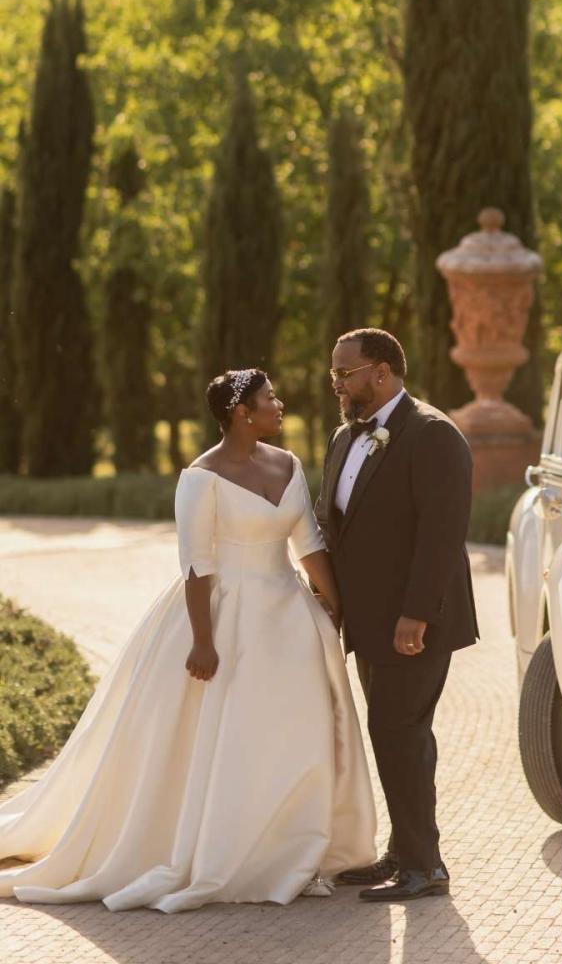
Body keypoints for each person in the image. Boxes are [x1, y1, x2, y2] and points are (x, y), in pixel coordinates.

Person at [0, 368, 377, 911]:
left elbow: (308, 543)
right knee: (227, 736)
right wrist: (203, 640)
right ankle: (223, 848)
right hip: (222, 615)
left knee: (299, 727)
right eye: (269, 398)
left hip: (289, 617)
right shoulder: (200, 478)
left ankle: (296, 843)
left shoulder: (289, 463)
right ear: (242, 412)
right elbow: (197, 566)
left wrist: (334, 602)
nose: (279, 403)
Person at [316, 328, 478, 903]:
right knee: (391, 733)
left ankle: (425, 865)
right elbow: (334, 525)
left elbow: (441, 535)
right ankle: (404, 852)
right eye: (335, 373)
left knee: (400, 732)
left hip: (415, 624)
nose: (335, 382)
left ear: (380, 372)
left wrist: (416, 615)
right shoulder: (343, 438)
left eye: (344, 372)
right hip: (369, 624)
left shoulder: (433, 435)